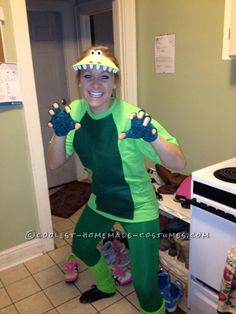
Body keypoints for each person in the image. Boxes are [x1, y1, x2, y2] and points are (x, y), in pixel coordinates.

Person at [47, 45, 186, 314]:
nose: (96, 83)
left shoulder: (130, 117)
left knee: (145, 285)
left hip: (138, 207)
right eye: (88, 76)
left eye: (105, 76)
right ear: (79, 81)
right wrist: (61, 134)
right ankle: (106, 285)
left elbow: (179, 163)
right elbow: (54, 163)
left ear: (115, 83)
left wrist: (151, 136)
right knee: (82, 246)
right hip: (101, 199)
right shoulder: (74, 111)